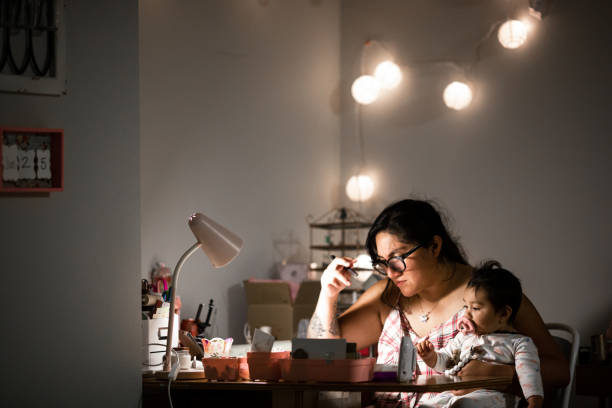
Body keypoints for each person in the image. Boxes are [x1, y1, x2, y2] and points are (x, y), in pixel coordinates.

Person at [307, 199, 568, 407]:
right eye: (383, 263)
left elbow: (559, 371)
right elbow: (317, 358)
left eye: (397, 258)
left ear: (434, 246)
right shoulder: (386, 297)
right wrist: (327, 294)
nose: (390, 272)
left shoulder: (490, 294)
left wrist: (498, 375)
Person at [415, 261, 543, 408]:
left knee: (463, 405)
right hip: (453, 394)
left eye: (475, 308)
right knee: (426, 405)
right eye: (465, 306)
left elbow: (529, 374)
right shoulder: (465, 337)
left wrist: (534, 401)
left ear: (503, 313)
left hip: (493, 397)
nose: (466, 313)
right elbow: (447, 362)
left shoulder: (520, 343)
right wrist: (431, 357)